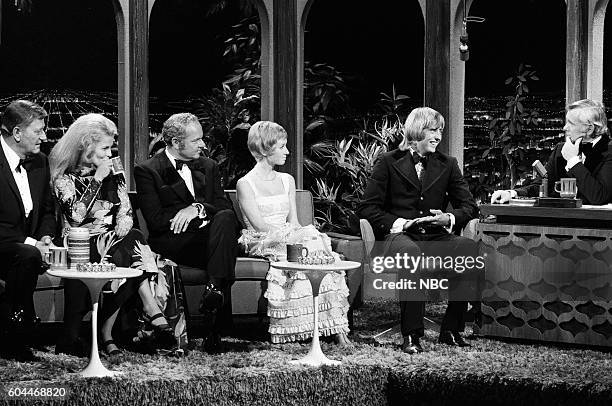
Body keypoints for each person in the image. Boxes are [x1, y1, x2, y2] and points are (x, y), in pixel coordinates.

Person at [49, 113, 175, 357]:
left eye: (111, 148)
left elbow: (125, 209)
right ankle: (137, 320)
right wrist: (97, 179)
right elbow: (76, 216)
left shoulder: (115, 168)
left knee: (130, 242)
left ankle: (111, 332)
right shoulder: (63, 175)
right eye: (104, 148)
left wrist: (123, 224)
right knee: (130, 249)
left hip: (114, 239)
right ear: (86, 144)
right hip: (79, 242)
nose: (109, 154)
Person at [357, 107, 480, 354]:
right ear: (416, 131)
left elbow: (469, 207)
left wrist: (448, 218)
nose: (437, 136)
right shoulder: (388, 162)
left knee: (469, 249)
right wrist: (403, 223)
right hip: (398, 236)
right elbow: (368, 208)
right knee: (411, 254)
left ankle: (451, 329)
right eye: (432, 130)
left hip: (436, 235)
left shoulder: (448, 164)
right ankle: (411, 335)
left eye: (440, 131)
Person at [236, 121, 351, 345]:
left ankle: (335, 326)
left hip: (288, 234)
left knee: (322, 253)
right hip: (263, 240)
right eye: (282, 146)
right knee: (294, 256)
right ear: (265, 148)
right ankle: (289, 330)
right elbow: (260, 226)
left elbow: (295, 222)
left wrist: (303, 235)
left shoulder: (287, 180)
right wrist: (292, 237)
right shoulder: (245, 183)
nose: (287, 152)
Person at [134, 113, 239, 353]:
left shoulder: (208, 166)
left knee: (225, 219)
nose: (203, 145)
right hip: (173, 242)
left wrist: (197, 208)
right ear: (174, 142)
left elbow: (225, 208)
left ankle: (213, 291)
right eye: (196, 140)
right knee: (223, 245)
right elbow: (157, 221)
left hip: (208, 241)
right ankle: (214, 323)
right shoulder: (148, 170)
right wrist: (190, 216)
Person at [0, 100, 55, 361]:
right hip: (5, 245)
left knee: (29, 254)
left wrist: (44, 237)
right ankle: (15, 331)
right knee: (27, 255)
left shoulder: (40, 163)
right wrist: (33, 244)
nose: (44, 136)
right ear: (17, 133)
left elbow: (47, 211)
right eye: (38, 130)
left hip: (26, 247)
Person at [491, 99, 612, 205]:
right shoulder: (560, 149)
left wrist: (573, 161)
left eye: (571, 123)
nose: (565, 128)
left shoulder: (609, 151)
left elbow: (599, 196)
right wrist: (513, 193)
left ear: (589, 129)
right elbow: (542, 185)